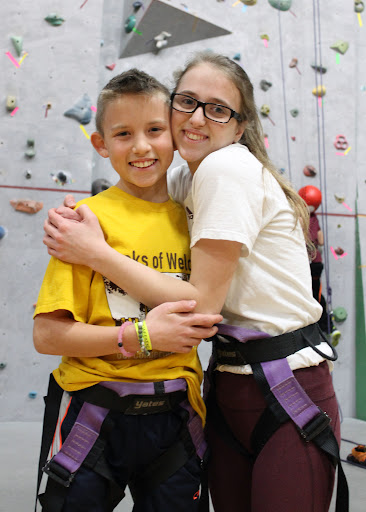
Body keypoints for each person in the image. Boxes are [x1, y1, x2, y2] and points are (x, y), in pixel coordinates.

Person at [43, 52, 347, 512]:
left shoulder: (226, 169)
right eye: (187, 102)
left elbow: (203, 304)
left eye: (218, 108)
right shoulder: (184, 175)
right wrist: (76, 220)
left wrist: (95, 252)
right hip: (223, 385)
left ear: (239, 126)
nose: (198, 117)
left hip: (282, 385)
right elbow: (141, 182)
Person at [33, 68, 223, 512]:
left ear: (175, 136)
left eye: (155, 130)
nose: (141, 146)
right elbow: (48, 335)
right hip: (95, 416)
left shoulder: (196, 219)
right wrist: (140, 337)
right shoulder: (84, 223)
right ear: (101, 144)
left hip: (176, 418)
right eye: (123, 134)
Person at [298, 185, 341, 346]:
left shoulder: (300, 217)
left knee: (307, 296)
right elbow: (321, 241)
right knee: (316, 295)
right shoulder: (315, 218)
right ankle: (328, 327)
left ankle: (313, 329)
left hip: (304, 263)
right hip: (316, 263)